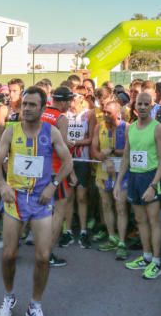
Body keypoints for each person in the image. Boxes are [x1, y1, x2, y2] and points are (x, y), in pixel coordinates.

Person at [0, 85, 72, 316]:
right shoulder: (11, 131)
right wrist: (2, 185)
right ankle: (8, 297)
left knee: (43, 257)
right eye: (24, 104)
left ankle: (35, 305)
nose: (26, 108)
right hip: (15, 199)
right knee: (9, 254)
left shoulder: (51, 132)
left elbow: (68, 162)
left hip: (39, 201)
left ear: (43, 107)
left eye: (32, 105)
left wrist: (53, 186)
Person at [115, 91, 161, 280]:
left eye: (147, 104)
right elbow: (127, 156)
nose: (143, 107)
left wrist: (154, 185)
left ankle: (156, 261)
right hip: (135, 177)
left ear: (152, 106)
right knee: (140, 219)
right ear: (134, 107)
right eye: (140, 104)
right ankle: (146, 257)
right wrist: (119, 182)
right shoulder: (131, 128)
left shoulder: (158, 128)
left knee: (153, 220)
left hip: (150, 177)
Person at [41, 86, 75, 267]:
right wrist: (72, 172)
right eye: (69, 101)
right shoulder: (61, 118)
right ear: (62, 101)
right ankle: (47, 254)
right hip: (55, 170)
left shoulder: (41, 113)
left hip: (38, 169)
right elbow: (61, 150)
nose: (70, 104)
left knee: (35, 209)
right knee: (58, 212)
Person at [92, 99, 129, 260]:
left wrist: (113, 151)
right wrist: (100, 155)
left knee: (120, 206)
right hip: (103, 172)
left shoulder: (127, 127)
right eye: (104, 112)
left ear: (118, 113)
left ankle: (122, 242)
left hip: (121, 172)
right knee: (106, 205)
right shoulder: (98, 127)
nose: (105, 115)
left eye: (109, 112)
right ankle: (112, 237)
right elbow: (94, 149)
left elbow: (130, 149)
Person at [61, 89, 95, 249]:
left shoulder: (88, 115)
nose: (72, 102)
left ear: (82, 100)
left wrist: (75, 143)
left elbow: (91, 139)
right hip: (67, 159)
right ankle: (67, 231)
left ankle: (83, 230)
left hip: (82, 159)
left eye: (75, 99)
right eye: (70, 99)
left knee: (81, 196)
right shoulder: (65, 115)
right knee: (68, 196)